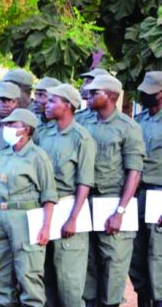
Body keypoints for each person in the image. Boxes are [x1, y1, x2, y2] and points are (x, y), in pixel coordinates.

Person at [80, 74, 146, 307]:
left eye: (95, 92)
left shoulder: (128, 128)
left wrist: (120, 210)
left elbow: (134, 171)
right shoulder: (83, 122)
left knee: (113, 262)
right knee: (87, 261)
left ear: (110, 96)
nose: (88, 94)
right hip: (86, 200)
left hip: (112, 200)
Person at [0, 108, 58, 307]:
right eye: (6, 124)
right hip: (1, 214)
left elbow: (49, 195)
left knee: (28, 273)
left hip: (26, 216)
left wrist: (46, 227)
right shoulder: (3, 155)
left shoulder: (37, 156)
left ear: (26, 129)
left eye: (12, 125)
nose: (7, 128)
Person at [36, 84, 95, 307]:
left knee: (69, 282)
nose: (46, 105)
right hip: (44, 209)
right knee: (46, 275)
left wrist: (73, 218)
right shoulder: (44, 133)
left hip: (69, 207)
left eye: (52, 101)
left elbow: (84, 181)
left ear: (67, 105)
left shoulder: (82, 137)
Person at [131, 71, 162, 307]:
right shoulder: (139, 121)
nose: (145, 96)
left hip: (159, 194)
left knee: (157, 255)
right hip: (138, 194)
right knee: (136, 253)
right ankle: (143, 299)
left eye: (151, 93)